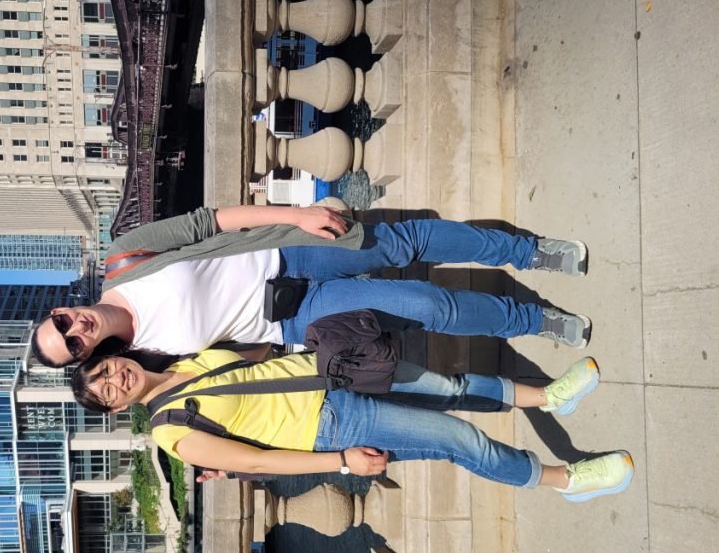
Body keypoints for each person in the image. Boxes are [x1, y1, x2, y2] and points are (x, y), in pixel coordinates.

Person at [32, 204, 592, 367]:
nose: (75, 329)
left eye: (61, 323)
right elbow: (224, 363)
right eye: (71, 346)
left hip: (285, 248)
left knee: (404, 243)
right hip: (297, 316)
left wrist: (297, 213)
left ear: (61, 307)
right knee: (423, 304)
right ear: (84, 358)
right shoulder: (144, 359)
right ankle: (535, 321)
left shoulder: (124, 260)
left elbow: (209, 224)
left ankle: (529, 251)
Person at [70, 349, 634, 503]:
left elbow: (257, 358)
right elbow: (261, 461)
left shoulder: (178, 360)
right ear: (118, 410)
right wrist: (341, 461)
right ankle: (566, 481)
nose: (115, 380)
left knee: (448, 385)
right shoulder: (170, 430)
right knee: (456, 440)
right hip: (331, 421)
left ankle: (548, 397)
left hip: (334, 370)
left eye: (105, 371)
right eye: (107, 392)